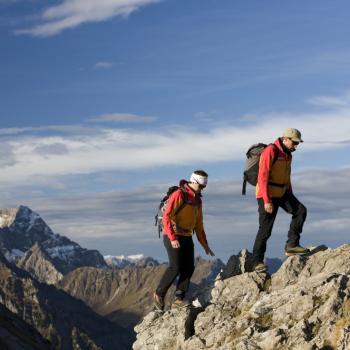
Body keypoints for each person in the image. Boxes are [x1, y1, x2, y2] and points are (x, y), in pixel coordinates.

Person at [154, 170, 215, 310]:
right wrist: (172, 237)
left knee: (189, 267)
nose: (202, 189)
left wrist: (205, 245)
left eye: (204, 187)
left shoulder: (198, 200)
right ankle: (159, 293)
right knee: (175, 267)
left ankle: (178, 299)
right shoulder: (179, 195)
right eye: (200, 186)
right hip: (173, 235)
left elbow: (199, 225)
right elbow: (167, 217)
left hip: (187, 236)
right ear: (193, 181)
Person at [252, 128, 309, 273]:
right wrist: (266, 200)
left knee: (300, 211)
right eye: (294, 142)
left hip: (283, 192)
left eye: (297, 143)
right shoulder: (270, 151)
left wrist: (290, 194)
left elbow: (287, 176)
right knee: (265, 230)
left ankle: (292, 245)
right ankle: (256, 262)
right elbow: (262, 176)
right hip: (267, 194)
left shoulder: (288, 155)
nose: (296, 146)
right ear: (285, 139)